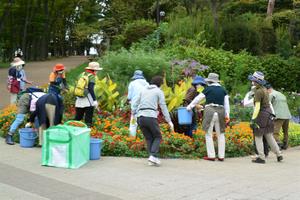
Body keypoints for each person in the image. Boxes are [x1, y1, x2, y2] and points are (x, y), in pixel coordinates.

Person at [187, 73, 230, 161]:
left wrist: (189, 107)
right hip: (221, 111)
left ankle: (211, 156)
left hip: (209, 110)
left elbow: (197, 99)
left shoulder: (208, 89)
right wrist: (227, 115)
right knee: (221, 134)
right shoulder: (223, 90)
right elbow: (227, 104)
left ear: (210, 81)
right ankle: (221, 156)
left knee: (208, 133)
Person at [132, 76, 174, 166]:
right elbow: (163, 106)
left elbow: (135, 103)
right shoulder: (158, 91)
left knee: (149, 138)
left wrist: (133, 113)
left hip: (140, 117)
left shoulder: (143, 90)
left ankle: (151, 159)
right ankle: (153, 156)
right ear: (159, 84)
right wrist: (169, 121)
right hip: (150, 116)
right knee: (158, 136)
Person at [248, 71, 283, 164]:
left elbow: (257, 107)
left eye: (253, 80)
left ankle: (261, 157)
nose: (252, 81)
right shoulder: (264, 89)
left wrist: (253, 119)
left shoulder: (258, 91)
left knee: (258, 135)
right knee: (269, 135)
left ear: (256, 81)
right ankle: (279, 154)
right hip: (269, 114)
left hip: (262, 115)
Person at [243, 85, 270, 157]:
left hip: (260, 117)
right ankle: (266, 152)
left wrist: (247, 95)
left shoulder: (256, 98)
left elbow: (245, 104)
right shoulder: (265, 96)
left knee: (258, 135)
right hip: (268, 116)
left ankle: (259, 154)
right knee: (265, 135)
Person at [75, 62, 102, 127]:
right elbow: (90, 89)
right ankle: (88, 130)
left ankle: (73, 128)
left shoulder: (82, 74)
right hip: (88, 99)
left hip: (79, 98)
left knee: (78, 117)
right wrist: (95, 100)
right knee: (88, 118)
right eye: (97, 70)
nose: (97, 72)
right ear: (94, 70)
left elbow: (76, 85)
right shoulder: (92, 76)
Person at [265, 82, 291, 150]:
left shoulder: (271, 94)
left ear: (268, 89)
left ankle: (278, 145)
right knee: (285, 131)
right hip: (287, 114)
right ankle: (285, 144)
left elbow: (268, 105)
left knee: (275, 132)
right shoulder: (281, 94)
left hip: (279, 115)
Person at [127, 70, 149, 136]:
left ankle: (131, 139)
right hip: (146, 106)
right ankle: (145, 140)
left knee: (133, 124)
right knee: (145, 125)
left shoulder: (132, 83)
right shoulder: (147, 84)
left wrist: (129, 100)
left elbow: (129, 97)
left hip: (135, 107)